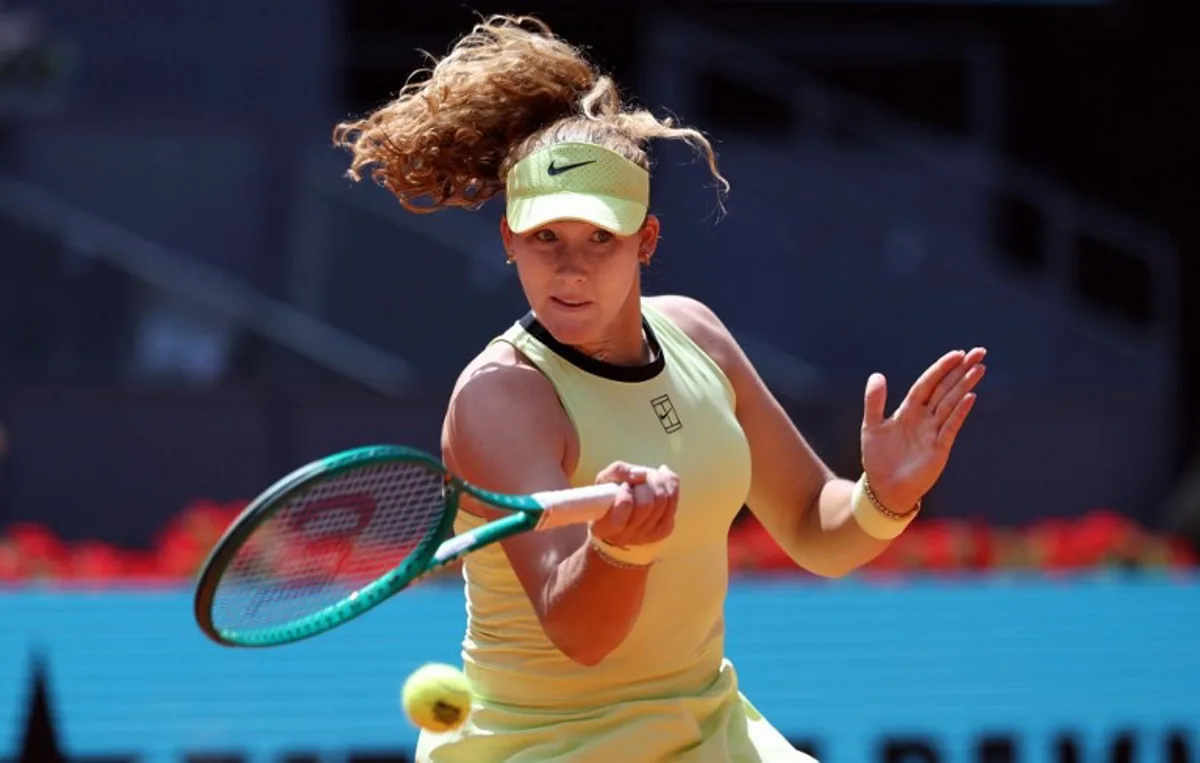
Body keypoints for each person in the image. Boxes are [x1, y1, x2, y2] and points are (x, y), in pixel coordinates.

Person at [333, 15, 987, 763]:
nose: (571, 268)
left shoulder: (696, 335)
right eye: (546, 237)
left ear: (646, 239)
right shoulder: (501, 397)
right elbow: (580, 633)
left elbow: (814, 527)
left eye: (599, 238)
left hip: (707, 727)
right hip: (546, 748)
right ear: (509, 238)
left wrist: (885, 494)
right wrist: (619, 551)